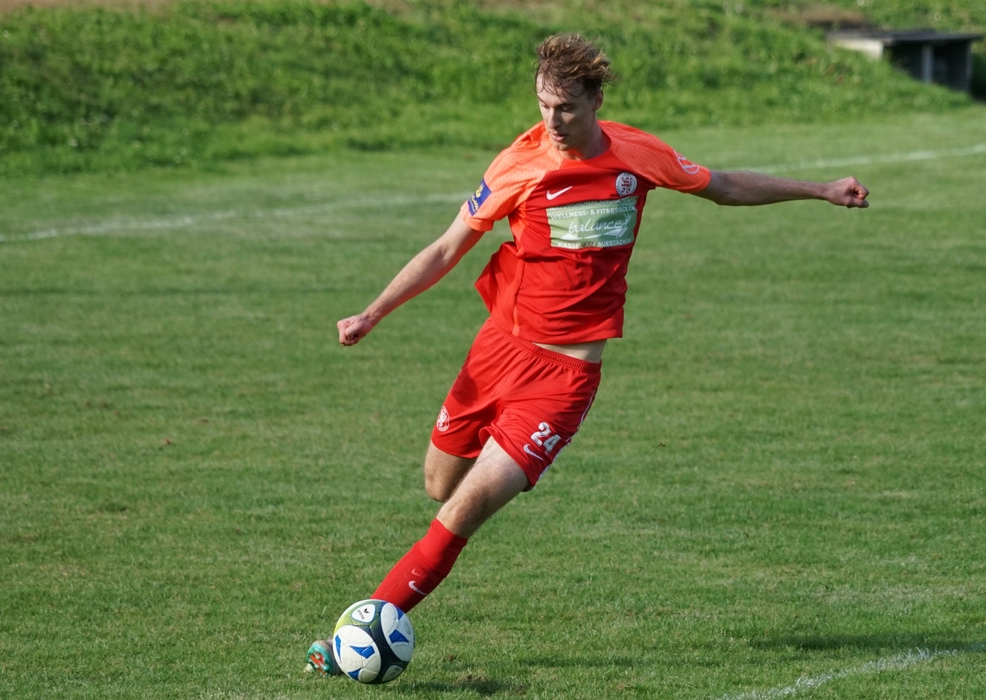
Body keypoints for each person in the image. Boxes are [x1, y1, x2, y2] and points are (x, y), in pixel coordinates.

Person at [305, 32, 869, 675]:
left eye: (566, 107)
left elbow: (725, 186)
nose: (553, 121)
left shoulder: (638, 155)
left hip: (564, 376)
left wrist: (821, 189)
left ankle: (361, 633)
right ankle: (418, 565)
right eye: (544, 106)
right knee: (439, 485)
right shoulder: (519, 163)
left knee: (465, 509)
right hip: (496, 351)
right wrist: (373, 311)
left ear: (596, 100)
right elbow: (445, 248)